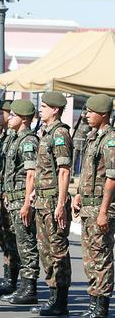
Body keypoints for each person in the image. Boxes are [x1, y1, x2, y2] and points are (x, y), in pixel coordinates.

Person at [30, 91, 73, 316]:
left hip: (53, 201)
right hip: (43, 200)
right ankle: (53, 296)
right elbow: (45, 170)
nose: (41, 109)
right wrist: (34, 192)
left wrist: (60, 204)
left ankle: (61, 301)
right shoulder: (45, 133)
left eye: (45, 106)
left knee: (57, 251)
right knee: (46, 251)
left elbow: (64, 171)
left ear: (55, 110)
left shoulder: (60, 134)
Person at [72, 94, 115, 318]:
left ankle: (101, 306)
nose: (86, 115)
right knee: (90, 258)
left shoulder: (110, 139)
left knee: (101, 258)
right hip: (88, 206)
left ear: (103, 114)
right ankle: (93, 302)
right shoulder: (92, 137)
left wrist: (103, 211)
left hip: (100, 207)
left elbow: (112, 177)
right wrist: (78, 194)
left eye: (90, 111)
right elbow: (88, 171)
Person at [0, 100, 41, 305]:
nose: (9, 118)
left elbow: (31, 174)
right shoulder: (15, 139)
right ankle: (20, 285)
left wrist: (26, 204)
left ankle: (29, 288)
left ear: (24, 118)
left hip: (21, 202)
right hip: (13, 200)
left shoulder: (28, 141)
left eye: (13, 115)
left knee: (27, 245)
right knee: (17, 244)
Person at [0, 100, 22, 297]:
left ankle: (19, 282)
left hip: (11, 196)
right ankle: (8, 279)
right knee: (4, 238)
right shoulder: (0, 137)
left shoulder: (14, 138)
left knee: (15, 239)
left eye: (3, 112)